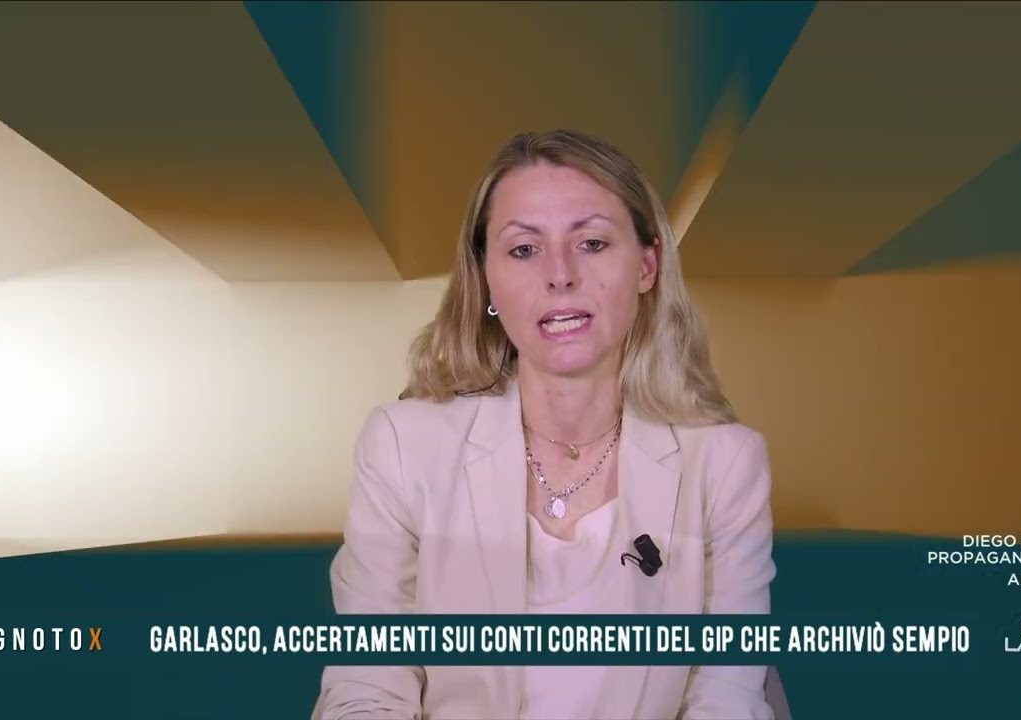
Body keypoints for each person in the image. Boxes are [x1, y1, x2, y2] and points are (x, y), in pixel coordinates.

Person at [312, 129, 777, 720]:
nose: (560, 275)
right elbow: (367, 687)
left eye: (592, 243)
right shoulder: (402, 445)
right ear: (486, 278)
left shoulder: (727, 464)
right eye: (524, 249)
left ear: (647, 266)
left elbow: (728, 698)